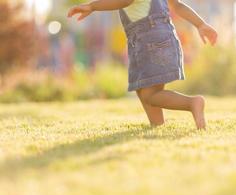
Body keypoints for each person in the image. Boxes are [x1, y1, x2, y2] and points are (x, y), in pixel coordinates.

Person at [67, 0, 218, 130]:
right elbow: (177, 5)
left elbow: (125, 1)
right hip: (152, 39)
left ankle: (192, 103)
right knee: (142, 87)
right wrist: (200, 24)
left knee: (151, 94)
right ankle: (157, 124)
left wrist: (93, 6)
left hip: (152, 40)